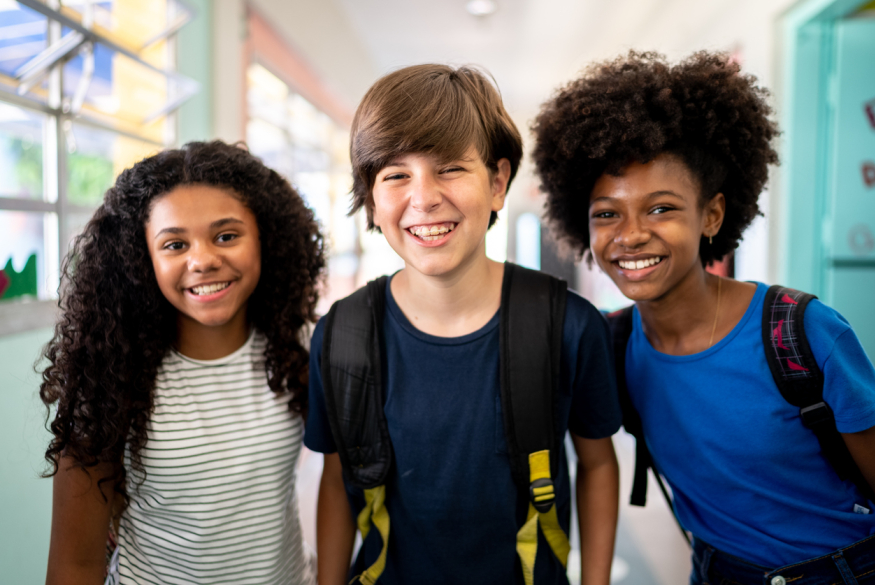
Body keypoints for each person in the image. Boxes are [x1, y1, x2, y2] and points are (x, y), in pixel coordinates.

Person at [532, 51, 875, 585]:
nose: (630, 235)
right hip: (714, 570)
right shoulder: (613, 343)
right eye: (607, 213)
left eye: (661, 208)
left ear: (711, 214)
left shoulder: (800, 332)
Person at [304, 64, 621, 585]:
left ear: (497, 182)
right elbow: (337, 479)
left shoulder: (566, 327)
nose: (424, 197)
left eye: (450, 168)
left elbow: (598, 464)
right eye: (396, 175)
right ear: (371, 198)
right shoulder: (342, 336)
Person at [40, 141, 324, 585]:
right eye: (174, 244)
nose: (204, 260)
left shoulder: (298, 347)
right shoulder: (108, 377)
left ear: (266, 238)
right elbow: (74, 566)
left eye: (226, 235)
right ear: (141, 259)